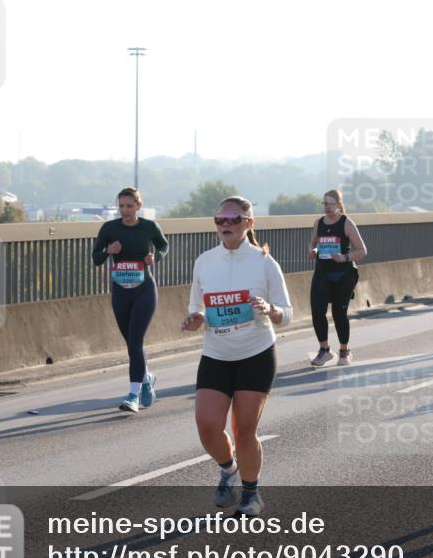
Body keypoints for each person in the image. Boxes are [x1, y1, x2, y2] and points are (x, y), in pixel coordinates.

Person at [183, 196, 292, 516]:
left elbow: (287, 314)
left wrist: (270, 310)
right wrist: (195, 318)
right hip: (216, 353)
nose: (226, 225)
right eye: (220, 220)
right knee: (206, 424)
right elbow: (196, 305)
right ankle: (228, 468)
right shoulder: (204, 261)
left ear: (249, 223)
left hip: (255, 353)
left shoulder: (264, 262)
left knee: (244, 427)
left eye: (233, 219)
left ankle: (251, 493)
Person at [92, 187, 169, 413]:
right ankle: (146, 378)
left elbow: (164, 245)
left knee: (135, 342)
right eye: (121, 206)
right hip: (121, 291)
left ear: (138, 206)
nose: (125, 210)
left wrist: (155, 257)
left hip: (144, 290)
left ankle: (133, 395)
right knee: (132, 344)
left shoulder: (149, 227)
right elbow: (96, 258)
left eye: (129, 206)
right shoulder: (109, 228)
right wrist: (108, 250)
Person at [307, 189, 367, 366]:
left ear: (339, 205)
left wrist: (344, 258)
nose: (326, 207)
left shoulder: (346, 223)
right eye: (324, 203)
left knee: (339, 313)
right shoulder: (318, 223)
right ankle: (324, 351)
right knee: (317, 311)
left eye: (330, 204)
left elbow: (362, 251)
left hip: (343, 274)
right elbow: (313, 242)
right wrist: (312, 250)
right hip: (322, 272)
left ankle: (344, 351)